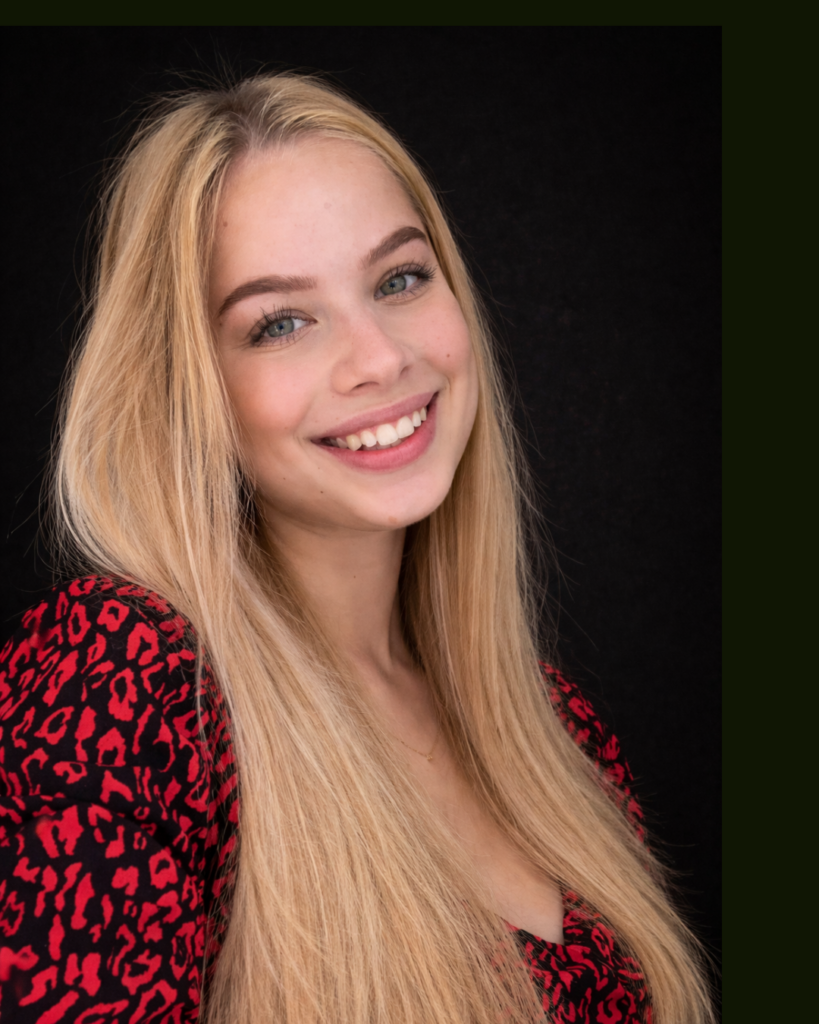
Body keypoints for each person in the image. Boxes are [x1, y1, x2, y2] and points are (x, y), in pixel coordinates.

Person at [0, 73, 713, 1023]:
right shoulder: (123, 680)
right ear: (185, 390)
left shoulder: (557, 730)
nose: (380, 357)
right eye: (279, 323)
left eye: (399, 279)